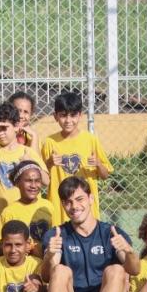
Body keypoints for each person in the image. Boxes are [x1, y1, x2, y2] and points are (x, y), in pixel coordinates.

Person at [40, 176, 138, 292]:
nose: (75, 206)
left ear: (91, 199)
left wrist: (129, 252)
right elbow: (47, 276)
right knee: (61, 270)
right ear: (63, 205)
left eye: (79, 199)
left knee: (116, 269)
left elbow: (135, 269)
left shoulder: (111, 233)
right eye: (68, 202)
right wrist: (49, 256)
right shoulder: (57, 235)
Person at [42, 90, 112, 219]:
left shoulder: (90, 140)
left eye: (73, 115)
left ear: (80, 115)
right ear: (55, 116)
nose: (68, 120)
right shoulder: (49, 142)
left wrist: (98, 164)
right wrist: (49, 163)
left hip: (85, 209)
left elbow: (105, 175)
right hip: (60, 209)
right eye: (63, 115)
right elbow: (42, 178)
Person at [0, 160, 52, 253]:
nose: (34, 185)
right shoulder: (9, 212)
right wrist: (20, 248)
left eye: (37, 181)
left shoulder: (48, 206)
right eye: (28, 181)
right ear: (17, 183)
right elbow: (1, 246)